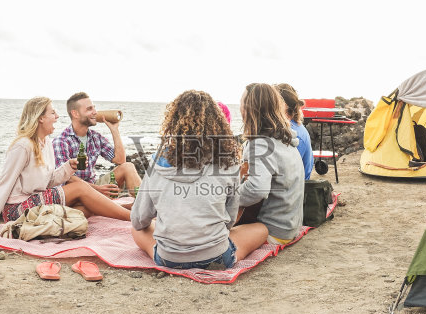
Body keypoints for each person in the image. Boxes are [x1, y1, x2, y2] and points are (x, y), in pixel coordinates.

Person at [131, 90, 268, 269]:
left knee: (137, 230)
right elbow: (229, 219)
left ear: (173, 121)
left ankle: (173, 256)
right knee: (262, 229)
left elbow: (139, 220)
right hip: (216, 256)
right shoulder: (228, 161)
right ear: (217, 122)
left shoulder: (157, 162)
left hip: (169, 258)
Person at [0, 97, 131, 231]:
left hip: (37, 201)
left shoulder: (47, 143)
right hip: (17, 209)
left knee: (85, 208)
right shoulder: (23, 146)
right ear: (40, 118)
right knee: (80, 187)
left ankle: (126, 211)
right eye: (53, 113)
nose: (57, 117)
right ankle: (132, 217)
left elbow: (49, 181)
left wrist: (68, 167)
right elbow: (4, 184)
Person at [237, 83, 305, 245]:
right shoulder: (286, 139)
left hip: (272, 230)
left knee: (212, 241)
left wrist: (227, 198)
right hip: (291, 226)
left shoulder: (260, 144)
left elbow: (256, 189)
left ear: (248, 108)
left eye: (241, 102)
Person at [53, 92, 142, 198]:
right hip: (74, 192)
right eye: (89, 109)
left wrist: (115, 130)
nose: (95, 112)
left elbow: (120, 160)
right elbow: (66, 177)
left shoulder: (95, 137)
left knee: (128, 167)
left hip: (93, 186)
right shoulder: (61, 142)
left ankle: (144, 207)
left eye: (94, 108)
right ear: (75, 114)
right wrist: (98, 189)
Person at [276, 83, 313, 179]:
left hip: (296, 190)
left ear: (283, 105)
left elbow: (285, 175)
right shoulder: (295, 127)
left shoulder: (293, 134)